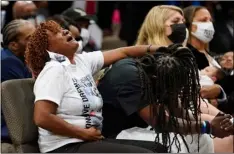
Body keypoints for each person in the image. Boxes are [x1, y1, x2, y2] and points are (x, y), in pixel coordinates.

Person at [98, 5, 233, 153]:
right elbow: (160, 121)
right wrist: (207, 126)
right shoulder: (131, 75)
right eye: (176, 20)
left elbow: (178, 109)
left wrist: (219, 121)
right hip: (118, 133)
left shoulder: (168, 64)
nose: (182, 26)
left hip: (146, 127)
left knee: (201, 138)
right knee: (178, 145)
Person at [25, 20, 168, 153]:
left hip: (88, 140)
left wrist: (165, 50)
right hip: (64, 146)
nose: (65, 31)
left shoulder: (81, 61)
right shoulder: (53, 70)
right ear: (48, 49)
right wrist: (83, 133)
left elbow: (124, 52)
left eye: (62, 29)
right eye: (56, 33)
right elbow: (42, 117)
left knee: (158, 148)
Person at [1, 19, 35, 144]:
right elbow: (26, 100)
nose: (36, 41)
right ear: (14, 45)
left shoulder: (15, 59)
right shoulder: (8, 62)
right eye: (30, 38)